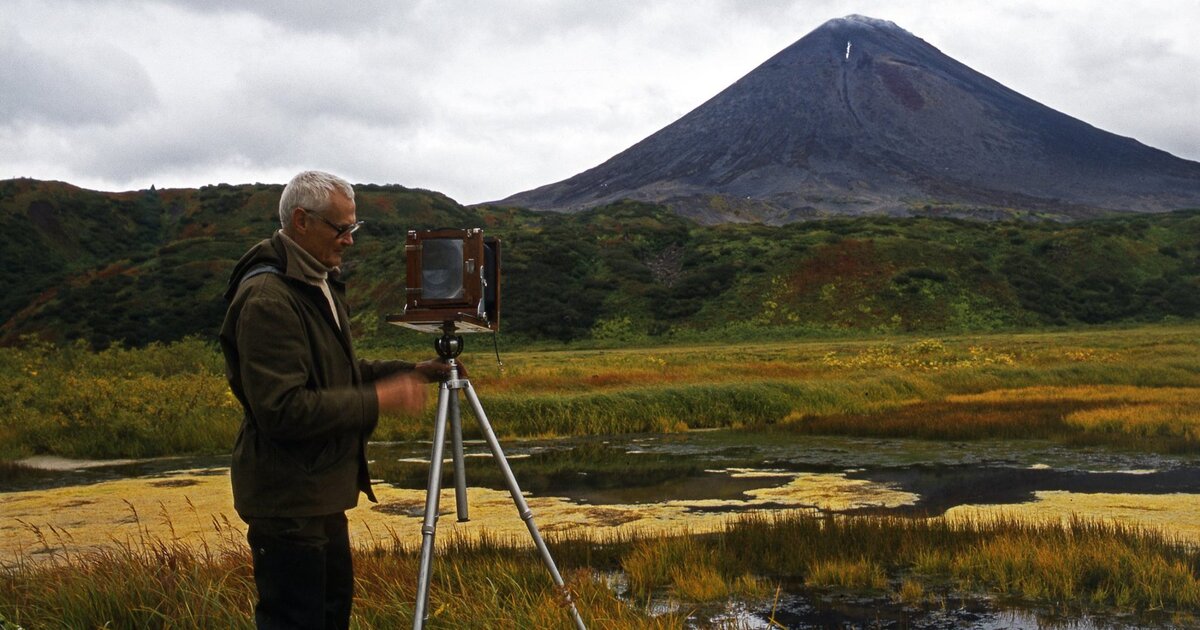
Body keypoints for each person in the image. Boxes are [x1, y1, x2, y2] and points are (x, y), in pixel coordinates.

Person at [220, 170, 449, 629]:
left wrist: (408, 373)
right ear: (301, 221)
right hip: (288, 501)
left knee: (329, 616)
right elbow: (284, 410)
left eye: (353, 228)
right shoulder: (269, 298)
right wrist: (380, 398)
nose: (349, 241)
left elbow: (335, 375)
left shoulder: (315, 280)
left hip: (317, 492)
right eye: (340, 229)